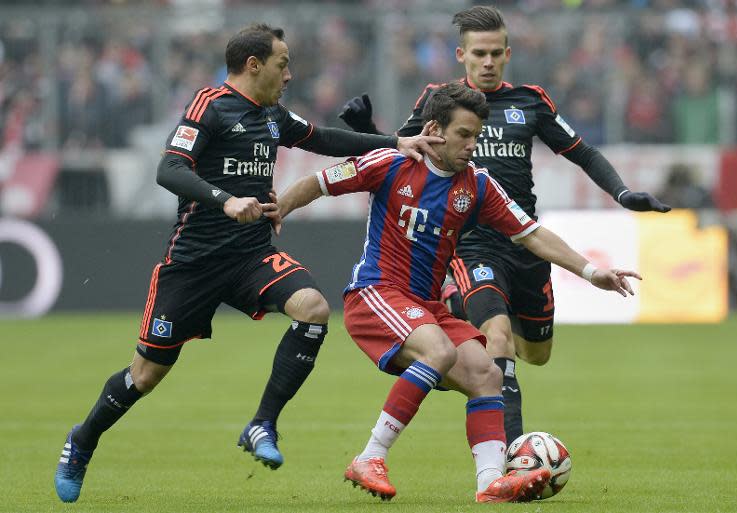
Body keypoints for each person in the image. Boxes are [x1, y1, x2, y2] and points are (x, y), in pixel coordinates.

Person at [53, 23, 442, 503]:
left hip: (251, 254)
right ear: (254, 65)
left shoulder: (273, 116)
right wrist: (224, 200)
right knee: (145, 376)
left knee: (314, 308)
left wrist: (393, 143)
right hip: (192, 263)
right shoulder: (210, 105)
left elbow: (322, 138)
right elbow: (169, 169)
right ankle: (83, 439)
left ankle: (262, 424)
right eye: (283, 63)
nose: (290, 73)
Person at [279, 82, 640, 503]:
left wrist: (592, 271)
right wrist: (277, 211)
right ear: (434, 129)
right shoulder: (392, 162)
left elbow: (532, 235)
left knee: (487, 373)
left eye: (477, 135)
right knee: (440, 352)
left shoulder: (478, 186)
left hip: (426, 306)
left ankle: (490, 482)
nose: (473, 145)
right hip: (376, 292)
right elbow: (318, 183)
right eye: (464, 135)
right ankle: (369, 457)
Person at [339, 5, 670, 445]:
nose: (488, 62)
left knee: (537, 352)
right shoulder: (439, 101)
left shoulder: (530, 101)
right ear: (462, 55)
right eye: (479, 54)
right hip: (471, 246)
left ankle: (466, 321)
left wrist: (623, 193)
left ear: (508, 53)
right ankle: (512, 455)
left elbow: (583, 152)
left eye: (496, 53)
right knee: (498, 341)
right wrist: (368, 130)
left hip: (526, 243)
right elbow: (401, 154)